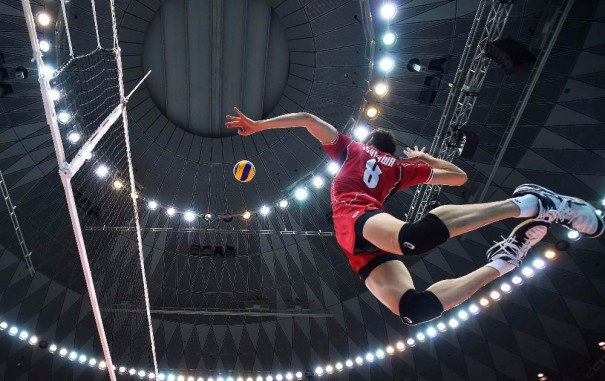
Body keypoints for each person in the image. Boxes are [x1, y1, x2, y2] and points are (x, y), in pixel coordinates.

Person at [225, 108, 604, 326]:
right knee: (415, 309)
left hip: (358, 220)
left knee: (412, 239)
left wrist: (260, 125)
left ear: (370, 143)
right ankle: (506, 259)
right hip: (363, 237)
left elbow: (308, 118)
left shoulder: (353, 150)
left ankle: (529, 204)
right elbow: (459, 177)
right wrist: (424, 159)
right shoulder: (400, 170)